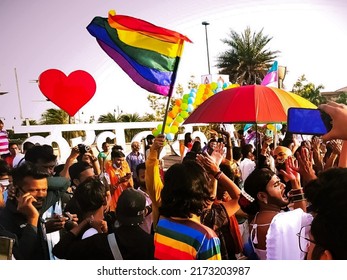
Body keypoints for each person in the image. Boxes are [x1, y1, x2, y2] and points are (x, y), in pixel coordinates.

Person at [146, 135, 221, 260]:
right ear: (199, 192)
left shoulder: (162, 225)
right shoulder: (206, 238)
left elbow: (152, 182)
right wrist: (216, 173)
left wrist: (153, 152)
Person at [52, 187, 154, 260]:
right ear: (144, 213)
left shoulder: (99, 242)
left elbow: (59, 250)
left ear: (117, 211)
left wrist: (84, 222)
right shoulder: (151, 243)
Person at [239, 163, 312, 260]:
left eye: (280, 182)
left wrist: (295, 182)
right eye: (276, 185)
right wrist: (296, 184)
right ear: (262, 196)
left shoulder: (255, 220)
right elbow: (302, 218)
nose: (283, 185)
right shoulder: (278, 221)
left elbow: (299, 217)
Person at [0, 162, 67, 259]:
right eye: (34, 190)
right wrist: (32, 219)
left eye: (44, 189)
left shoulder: (37, 207)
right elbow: (20, 257)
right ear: (18, 191)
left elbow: (65, 182)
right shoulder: (4, 221)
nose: (40, 195)